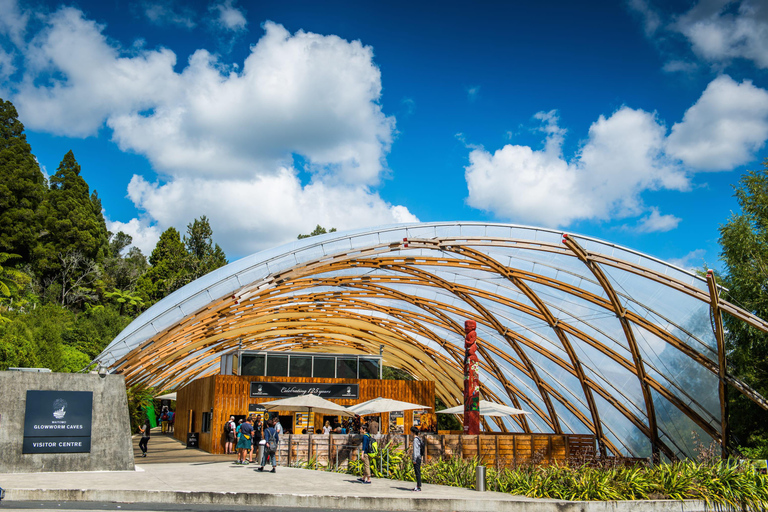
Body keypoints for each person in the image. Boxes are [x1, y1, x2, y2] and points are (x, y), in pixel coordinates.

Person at [411, 426, 423, 492]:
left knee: (417, 472)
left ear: (413, 432)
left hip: (417, 458)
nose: (410, 433)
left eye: (411, 432)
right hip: (419, 457)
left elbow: (415, 450)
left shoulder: (415, 440)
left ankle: (418, 486)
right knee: (418, 472)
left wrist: (414, 459)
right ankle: (418, 486)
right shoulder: (419, 439)